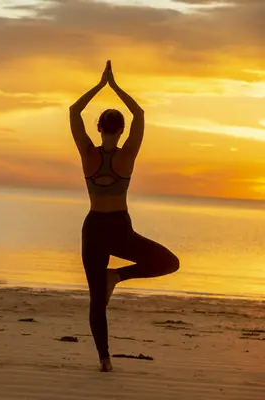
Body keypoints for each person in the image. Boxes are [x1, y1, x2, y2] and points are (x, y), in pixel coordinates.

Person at [69, 60, 180, 372]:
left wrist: (99, 85)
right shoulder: (127, 155)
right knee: (169, 262)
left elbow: (74, 112)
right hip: (119, 227)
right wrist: (115, 87)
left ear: (99, 128)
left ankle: (104, 359)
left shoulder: (88, 154)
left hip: (93, 228)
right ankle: (117, 277)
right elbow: (140, 115)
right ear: (120, 130)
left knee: (96, 298)